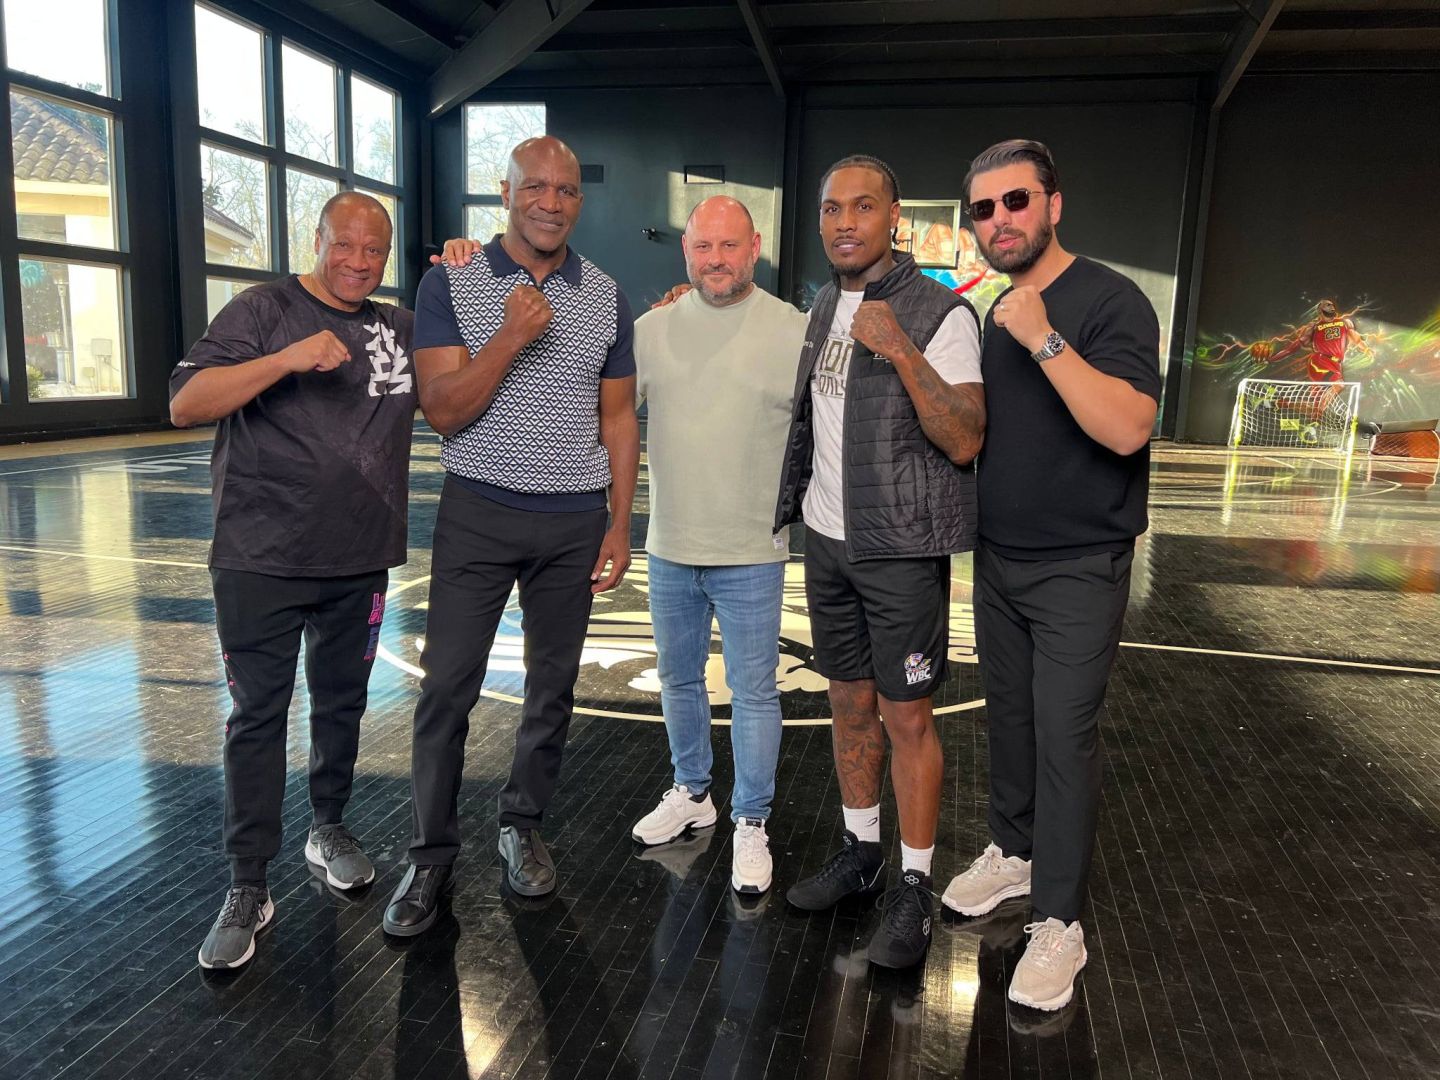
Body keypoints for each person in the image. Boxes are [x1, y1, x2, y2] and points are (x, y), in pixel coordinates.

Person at [382, 136, 639, 937]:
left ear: (579, 202)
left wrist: (620, 521)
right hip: (479, 512)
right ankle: (430, 857)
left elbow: (618, 417)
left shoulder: (606, 295)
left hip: (574, 520)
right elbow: (443, 409)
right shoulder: (451, 280)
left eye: (565, 190)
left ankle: (522, 825)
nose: (550, 203)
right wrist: (510, 334)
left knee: (551, 688)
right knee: (446, 689)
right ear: (506, 192)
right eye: (535, 187)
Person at [939, 139, 1161, 1012]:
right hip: (1000, 559)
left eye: (1016, 201)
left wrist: (1043, 337)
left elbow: (1127, 428)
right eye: (983, 209)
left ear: (1053, 205)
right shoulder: (992, 310)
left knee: (1064, 738)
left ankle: (1060, 921)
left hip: (1079, 565)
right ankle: (1015, 854)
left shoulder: (1109, 300)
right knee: (1011, 721)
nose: (999, 220)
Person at [170, 192, 414, 970]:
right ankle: (248, 883)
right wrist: (284, 359)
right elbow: (185, 403)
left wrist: (466, 266)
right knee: (258, 717)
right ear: (317, 239)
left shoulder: (397, 327)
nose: (358, 261)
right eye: (345, 244)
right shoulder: (263, 310)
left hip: (358, 557)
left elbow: (475, 352)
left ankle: (328, 825)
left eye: (374, 250)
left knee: (342, 703)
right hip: (259, 557)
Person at [773, 155, 985, 970]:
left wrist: (900, 350)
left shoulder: (941, 312)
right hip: (828, 544)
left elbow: (964, 437)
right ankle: (861, 853)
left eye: (863, 207)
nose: (845, 223)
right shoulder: (823, 305)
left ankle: (914, 886)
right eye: (832, 209)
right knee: (848, 703)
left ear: (894, 216)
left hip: (901, 550)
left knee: (907, 719)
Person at [621, 195, 809, 896]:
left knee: (754, 693)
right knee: (678, 679)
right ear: (686, 252)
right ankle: (692, 792)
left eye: (730, 246)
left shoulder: (793, 331)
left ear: (754, 248)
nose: (717, 259)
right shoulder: (652, 330)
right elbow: (610, 418)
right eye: (704, 246)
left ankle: (751, 821)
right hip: (670, 545)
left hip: (753, 551)